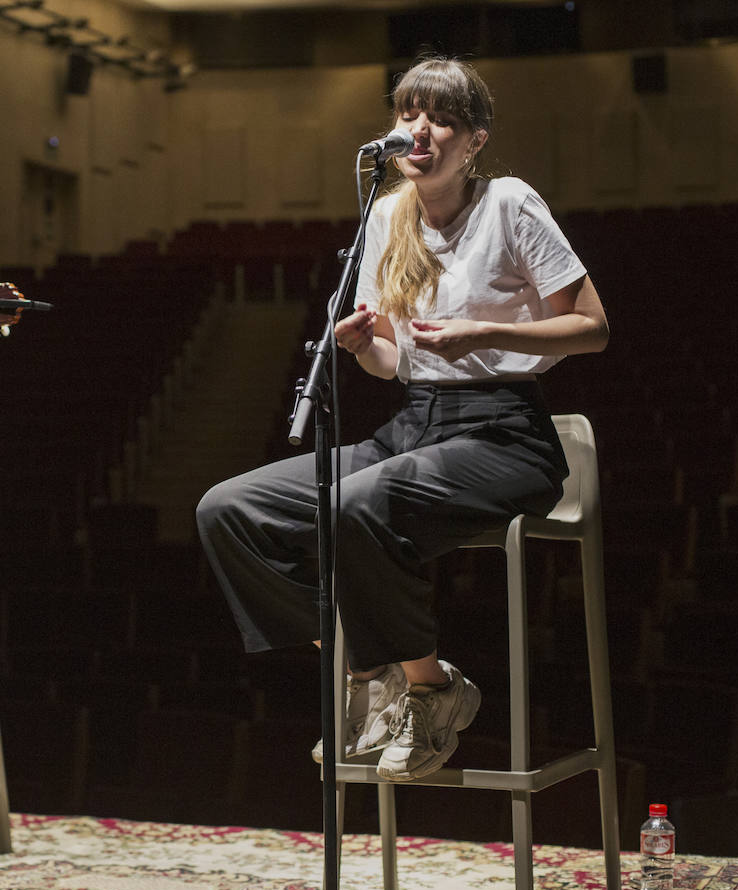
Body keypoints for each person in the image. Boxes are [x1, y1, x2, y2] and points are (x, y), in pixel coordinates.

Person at [195, 57, 608, 781]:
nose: (419, 129)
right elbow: (392, 361)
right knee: (228, 509)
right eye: (407, 113)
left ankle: (431, 689)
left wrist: (488, 334)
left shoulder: (509, 203)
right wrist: (364, 347)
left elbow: (593, 328)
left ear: (474, 140)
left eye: (441, 117)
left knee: (355, 504)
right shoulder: (387, 215)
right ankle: (365, 671)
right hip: (415, 424)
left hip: (505, 433)